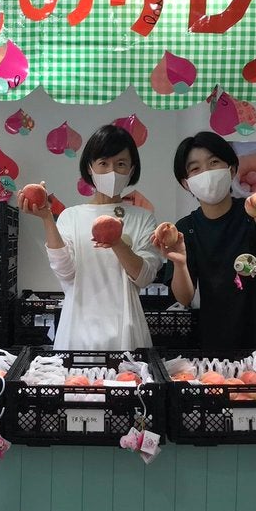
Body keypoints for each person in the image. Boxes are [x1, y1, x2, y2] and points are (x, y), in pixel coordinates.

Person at [152, 131, 256, 365]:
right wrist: (180, 263)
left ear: (232, 170)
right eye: (195, 169)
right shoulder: (186, 229)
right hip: (223, 344)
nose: (206, 172)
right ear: (186, 183)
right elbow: (183, 297)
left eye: (214, 162)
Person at [18, 124, 162, 350]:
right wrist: (47, 218)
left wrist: (117, 243)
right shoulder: (71, 216)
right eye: (103, 163)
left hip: (126, 330)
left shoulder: (143, 218)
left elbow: (144, 277)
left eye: (121, 164)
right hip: (76, 330)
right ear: (90, 167)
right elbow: (65, 272)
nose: (112, 171)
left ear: (132, 170)